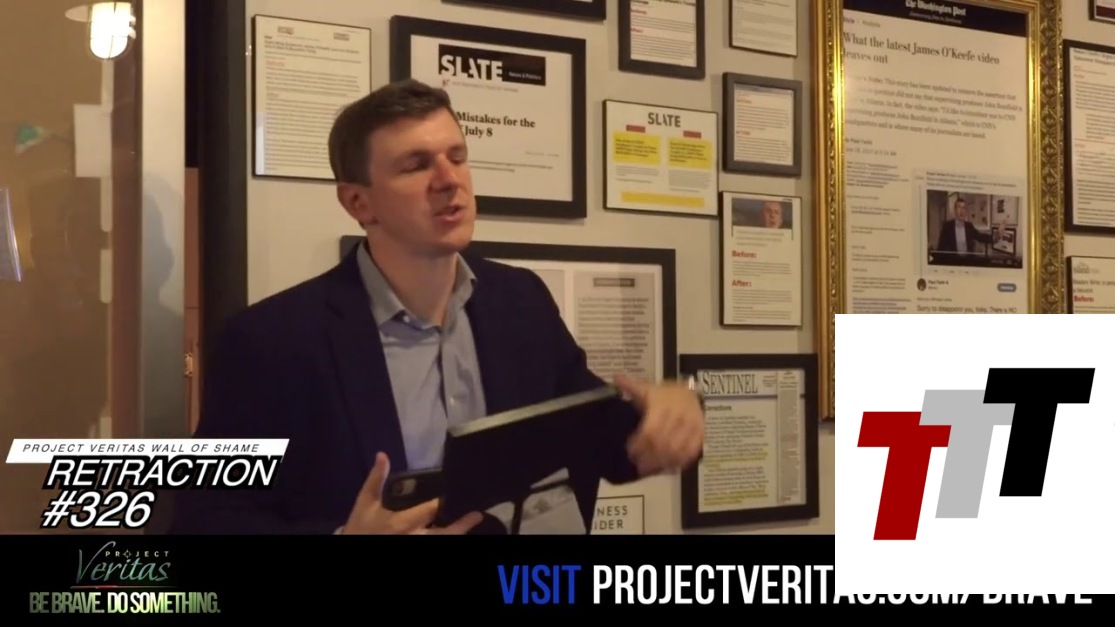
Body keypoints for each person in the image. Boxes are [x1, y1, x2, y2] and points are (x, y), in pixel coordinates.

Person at [169, 79, 705, 535]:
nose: (449, 180)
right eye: (416, 165)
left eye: (457, 156)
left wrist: (666, 412)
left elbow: (599, 442)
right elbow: (205, 521)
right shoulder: (270, 341)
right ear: (359, 202)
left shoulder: (521, 302)